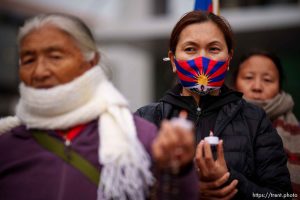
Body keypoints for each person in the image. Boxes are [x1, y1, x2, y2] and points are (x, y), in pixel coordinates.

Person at [0, 13, 199, 200]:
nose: (40, 71)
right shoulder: (7, 145)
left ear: (91, 61)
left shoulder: (138, 137)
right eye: (28, 60)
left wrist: (178, 169)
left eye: (55, 57)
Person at [136, 11, 293, 199]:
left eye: (213, 49)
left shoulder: (255, 120)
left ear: (228, 59)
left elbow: (282, 196)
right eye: (190, 49)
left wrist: (230, 181)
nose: (203, 60)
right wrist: (186, 187)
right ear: (173, 61)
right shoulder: (144, 119)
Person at [234, 49, 300, 198]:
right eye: (249, 77)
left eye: (268, 79)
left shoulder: (296, 130)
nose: (257, 87)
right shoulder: (219, 121)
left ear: (279, 87)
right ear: (235, 83)